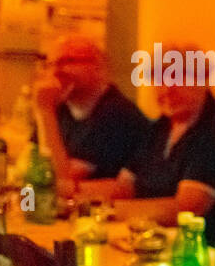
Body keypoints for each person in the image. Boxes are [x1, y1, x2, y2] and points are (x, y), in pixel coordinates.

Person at [76, 46, 215, 240]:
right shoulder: (160, 127)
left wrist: (108, 211)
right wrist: (73, 195)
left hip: (194, 250)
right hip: (143, 238)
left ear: (203, 81)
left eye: (177, 79)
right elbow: (125, 186)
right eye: (159, 80)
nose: (167, 89)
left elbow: (186, 208)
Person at [32, 36, 151, 183]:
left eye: (68, 61)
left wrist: (44, 112)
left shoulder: (116, 112)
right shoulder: (59, 108)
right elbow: (28, 164)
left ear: (99, 67)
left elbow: (60, 180)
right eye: (50, 64)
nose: (56, 71)